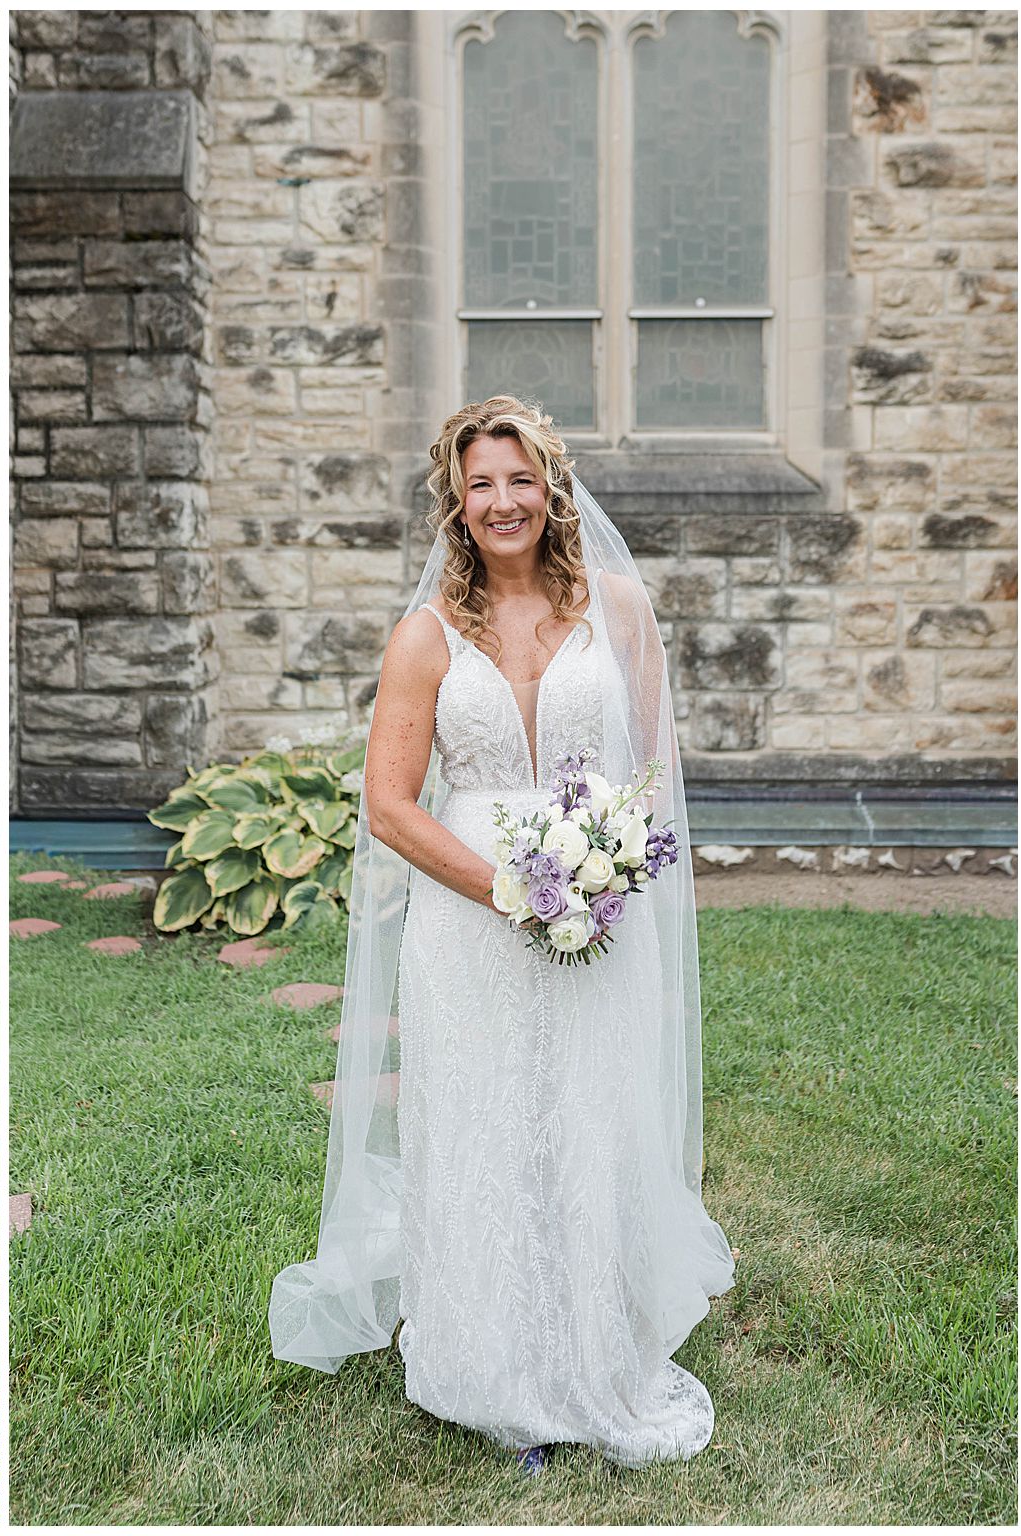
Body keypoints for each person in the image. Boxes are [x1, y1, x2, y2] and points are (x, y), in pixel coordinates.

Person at [269, 397, 736, 1471]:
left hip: (596, 912)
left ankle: (596, 1347)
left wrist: (602, 868)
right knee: (484, 1132)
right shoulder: (424, 637)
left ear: (550, 488)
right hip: (469, 922)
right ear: (456, 502)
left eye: (519, 479)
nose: (502, 501)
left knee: (588, 1120)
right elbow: (389, 805)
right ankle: (493, 1373)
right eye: (480, 484)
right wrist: (511, 892)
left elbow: (650, 770)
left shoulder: (619, 609)